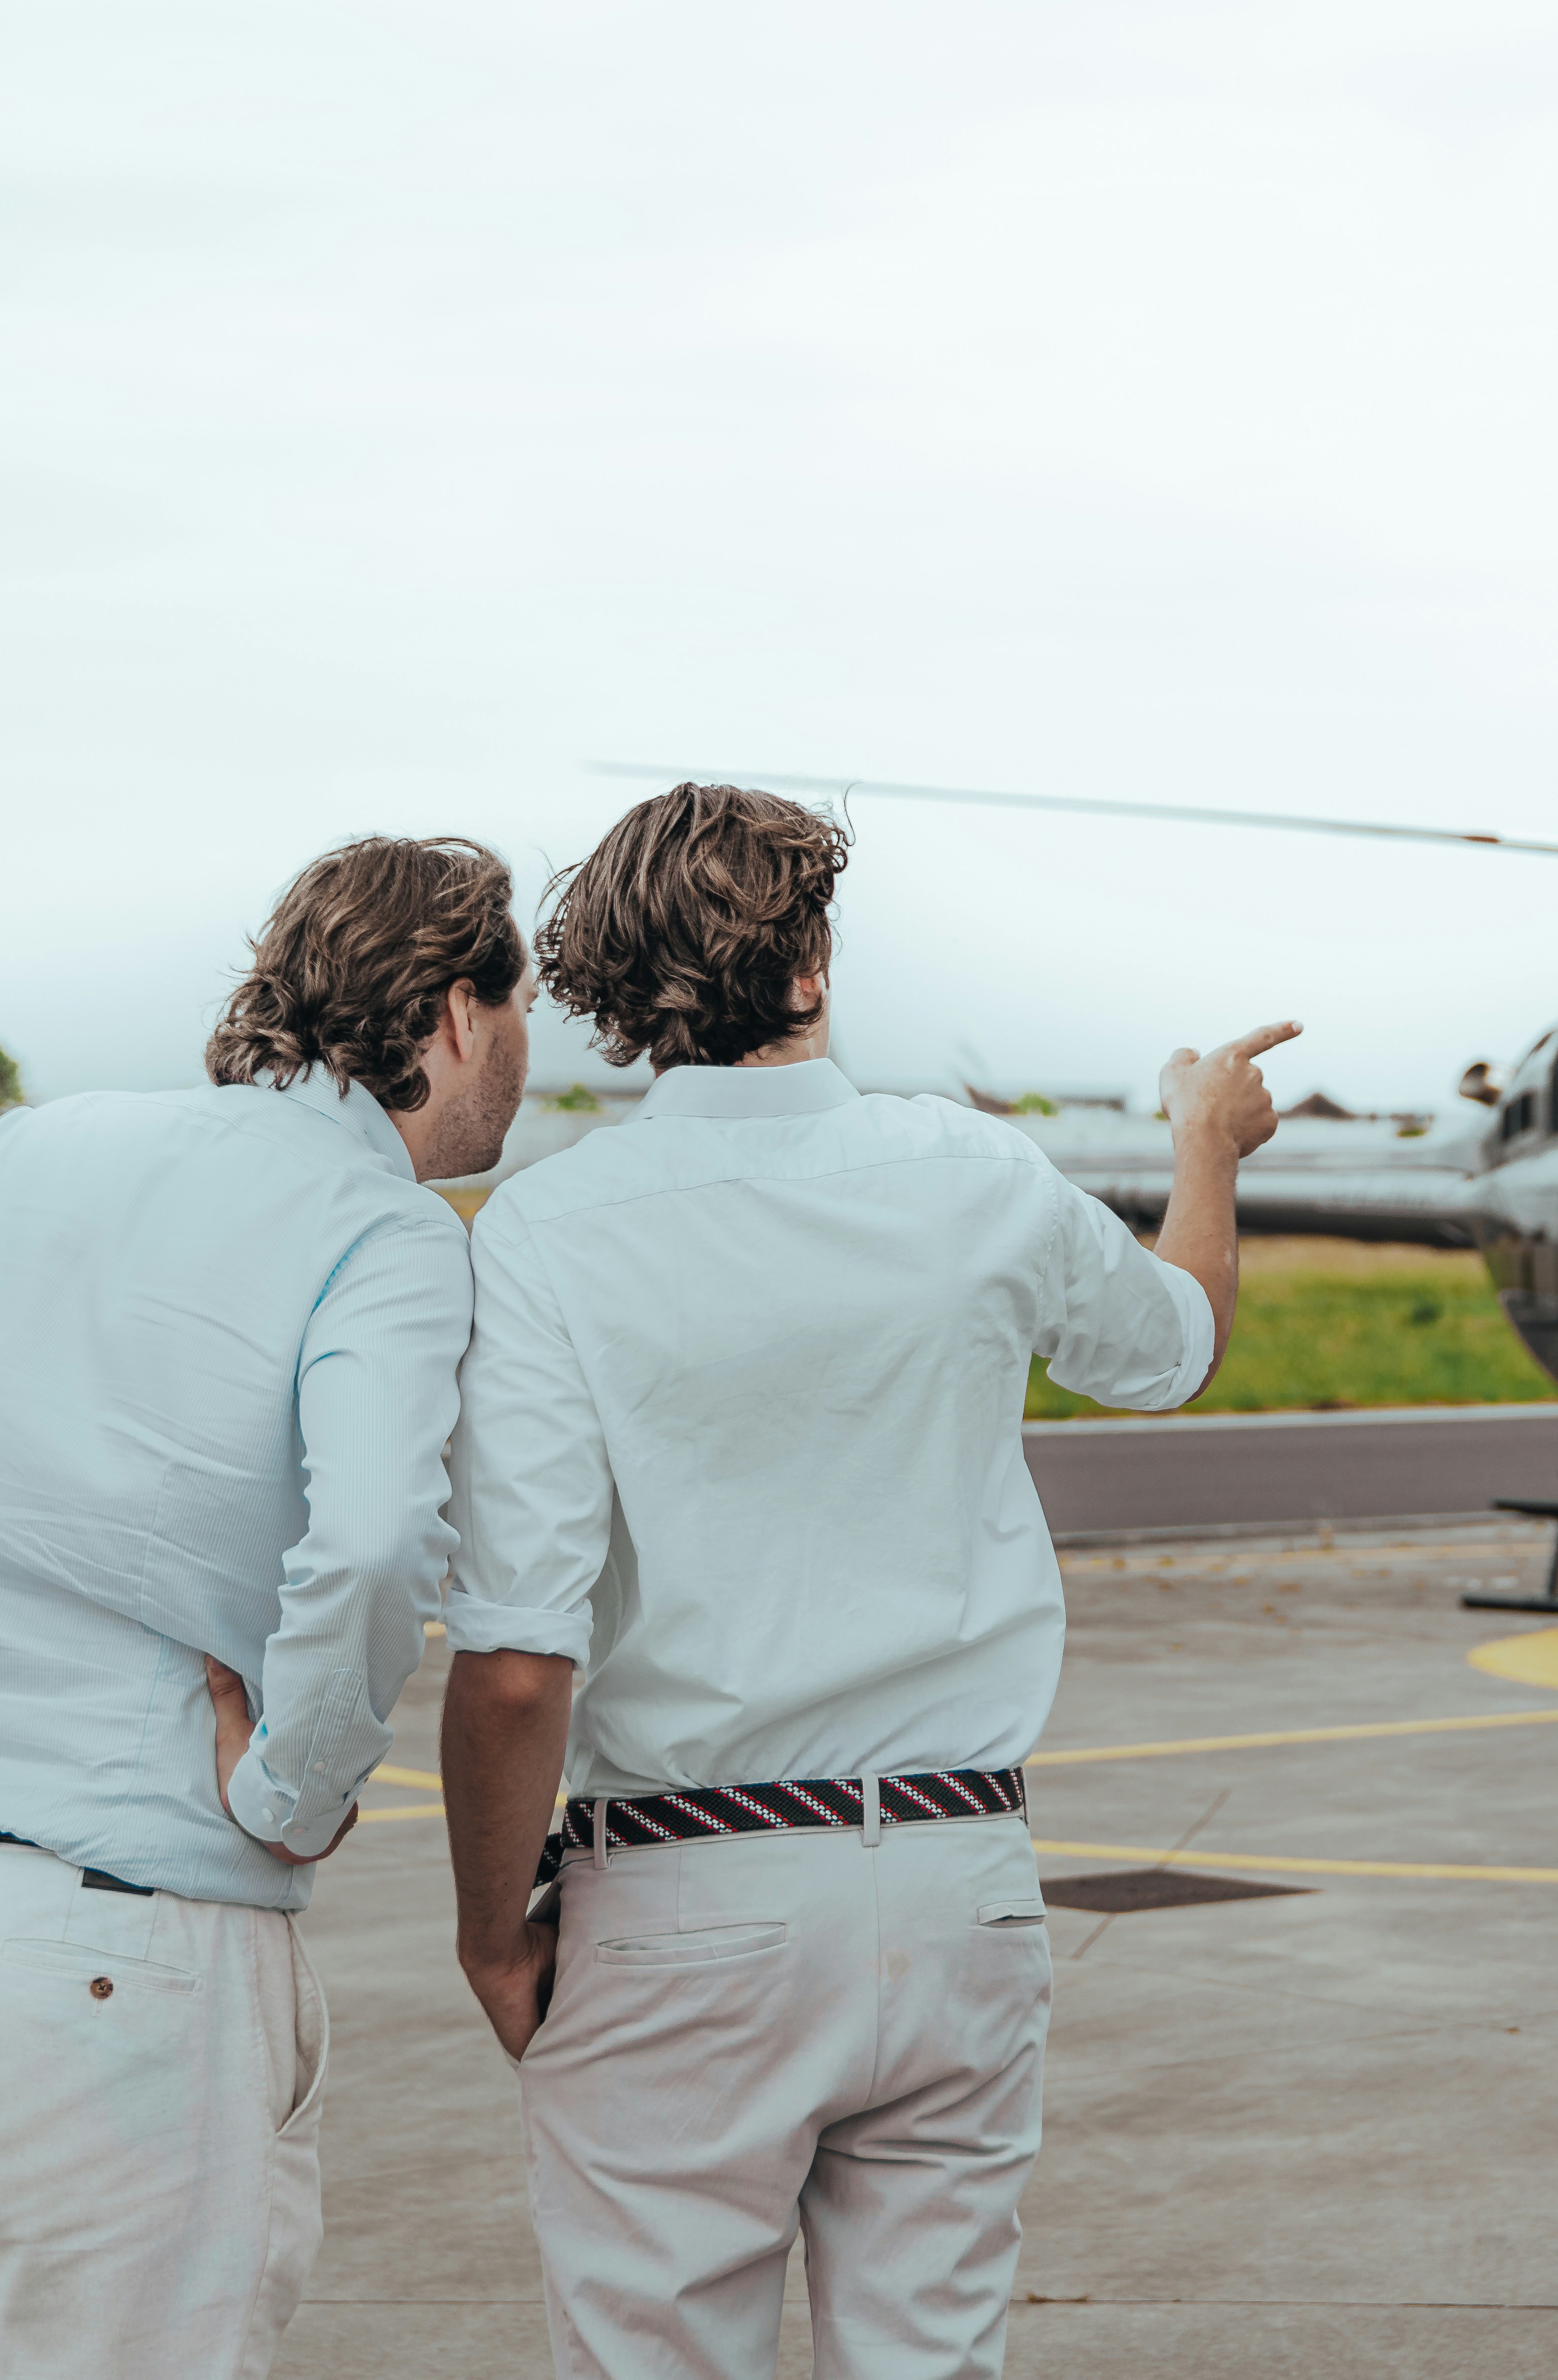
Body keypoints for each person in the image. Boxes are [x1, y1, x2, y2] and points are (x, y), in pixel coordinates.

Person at [0, 834, 531, 2380]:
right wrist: (296, 1789)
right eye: (520, 1014)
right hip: (117, 1939)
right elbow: (382, 1534)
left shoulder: (33, 1153)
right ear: (456, 1010)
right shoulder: (383, 1234)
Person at [437, 782, 1291, 2380]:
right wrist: (1204, 1148)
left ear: (614, 996)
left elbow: (515, 1659)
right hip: (961, 1874)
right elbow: (1174, 1348)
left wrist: (493, 1935)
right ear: (810, 969)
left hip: (686, 1881)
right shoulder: (974, 1179)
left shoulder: (544, 1236)